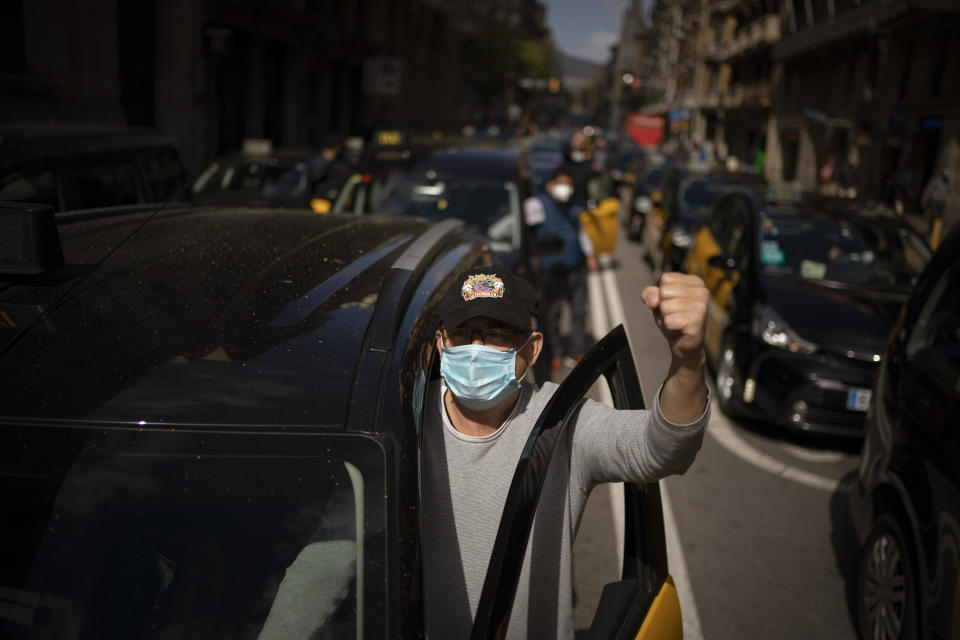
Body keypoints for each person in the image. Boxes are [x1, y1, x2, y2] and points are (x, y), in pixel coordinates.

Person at [421, 266, 710, 639]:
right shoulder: (406, 418)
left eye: (496, 335)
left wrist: (689, 362)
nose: (475, 349)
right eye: (462, 333)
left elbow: (662, 449)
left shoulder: (562, 420)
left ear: (533, 348)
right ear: (442, 341)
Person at [523, 165, 597, 374]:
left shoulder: (572, 205)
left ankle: (576, 350)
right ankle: (554, 353)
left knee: (579, 312)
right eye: (560, 184)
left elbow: (580, 231)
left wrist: (590, 255)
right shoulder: (536, 204)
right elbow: (530, 237)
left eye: (568, 184)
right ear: (549, 185)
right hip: (552, 271)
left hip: (576, 267)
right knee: (552, 315)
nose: (565, 188)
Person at [921, 168, 952, 245]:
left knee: (939, 218)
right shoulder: (936, 181)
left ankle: (935, 234)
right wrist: (924, 199)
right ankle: (929, 231)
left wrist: (948, 200)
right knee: (933, 216)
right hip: (934, 201)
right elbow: (928, 190)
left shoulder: (948, 184)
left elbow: (950, 193)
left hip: (942, 203)